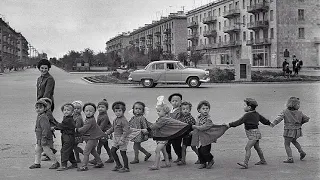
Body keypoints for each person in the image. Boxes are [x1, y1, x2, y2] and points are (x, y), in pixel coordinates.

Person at [145, 96, 192, 170]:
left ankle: (156, 165)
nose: (157, 112)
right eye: (157, 111)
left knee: (157, 151)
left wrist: (147, 129)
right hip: (163, 137)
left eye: (159, 111)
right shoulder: (164, 118)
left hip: (163, 138)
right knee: (164, 151)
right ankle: (167, 163)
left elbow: (156, 125)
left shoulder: (163, 119)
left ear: (165, 112)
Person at [226, 98, 272, 169]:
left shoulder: (247, 116)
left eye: (244, 105)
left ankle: (245, 163)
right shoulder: (257, 114)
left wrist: (229, 125)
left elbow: (238, 122)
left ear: (249, 107)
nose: (243, 107)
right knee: (257, 147)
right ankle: (263, 160)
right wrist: (269, 123)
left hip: (253, 134)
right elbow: (264, 120)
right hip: (256, 133)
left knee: (247, 147)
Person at [270, 97, 309, 163]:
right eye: (298, 104)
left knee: (287, 144)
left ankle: (290, 158)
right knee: (294, 141)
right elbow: (306, 119)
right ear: (294, 105)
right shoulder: (299, 112)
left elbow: (279, 118)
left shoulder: (285, 111)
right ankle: (301, 152)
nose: (299, 106)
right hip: (297, 131)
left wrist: (273, 123)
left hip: (289, 130)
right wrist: (301, 123)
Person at [192, 101, 228, 169]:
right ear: (199, 110)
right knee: (200, 151)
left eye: (207, 108)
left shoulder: (209, 120)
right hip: (200, 138)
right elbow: (197, 125)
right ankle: (203, 163)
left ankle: (210, 160)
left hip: (206, 139)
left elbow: (203, 127)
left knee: (205, 151)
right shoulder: (198, 117)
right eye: (203, 108)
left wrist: (195, 127)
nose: (205, 110)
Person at [29, 99, 60, 169]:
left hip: (43, 138)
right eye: (37, 108)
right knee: (37, 150)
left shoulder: (43, 117)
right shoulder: (40, 115)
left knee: (47, 151)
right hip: (39, 138)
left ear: (45, 108)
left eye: (40, 107)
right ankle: (37, 163)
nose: (38, 109)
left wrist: (44, 137)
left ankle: (55, 162)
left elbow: (45, 129)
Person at [76, 103, 105, 171]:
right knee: (93, 151)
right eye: (87, 111)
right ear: (84, 111)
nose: (88, 112)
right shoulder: (90, 118)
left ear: (94, 112)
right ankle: (99, 162)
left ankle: (84, 166)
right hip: (92, 138)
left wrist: (77, 129)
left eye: (90, 111)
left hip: (92, 138)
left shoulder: (90, 120)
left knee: (86, 152)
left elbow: (84, 128)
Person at [105, 101, 131, 173]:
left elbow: (126, 131)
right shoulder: (115, 119)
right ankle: (118, 165)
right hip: (116, 138)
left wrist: (122, 139)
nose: (118, 112)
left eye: (120, 111)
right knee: (112, 151)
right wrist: (107, 132)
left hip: (122, 138)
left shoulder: (124, 120)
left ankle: (126, 167)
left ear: (123, 111)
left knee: (123, 153)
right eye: (116, 111)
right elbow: (113, 128)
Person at [90, 99, 114, 164]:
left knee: (99, 146)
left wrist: (96, 132)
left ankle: (96, 159)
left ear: (106, 108)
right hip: (102, 132)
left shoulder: (104, 116)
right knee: (105, 146)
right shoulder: (100, 115)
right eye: (99, 107)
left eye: (103, 107)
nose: (100, 108)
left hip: (104, 133)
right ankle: (111, 157)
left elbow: (102, 126)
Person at [55, 103, 77, 171]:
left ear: (72, 112)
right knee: (69, 151)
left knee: (64, 151)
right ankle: (74, 163)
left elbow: (61, 126)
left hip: (68, 137)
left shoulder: (68, 120)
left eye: (68, 110)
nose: (66, 111)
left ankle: (64, 165)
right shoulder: (66, 118)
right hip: (66, 136)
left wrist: (54, 127)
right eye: (65, 110)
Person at [176, 101, 199, 165]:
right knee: (183, 147)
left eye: (187, 109)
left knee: (193, 147)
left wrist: (193, 131)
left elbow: (195, 126)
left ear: (190, 110)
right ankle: (183, 160)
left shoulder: (191, 118)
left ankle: (200, 158)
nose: (185, 110)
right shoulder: (181, 117)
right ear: (181, 110)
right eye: (183, 109)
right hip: (185, 135)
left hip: (190, 135)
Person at [166, 93, 183, 163]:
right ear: (170, 102)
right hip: (169, 130)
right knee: (166, 143)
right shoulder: (170, 110)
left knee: (176, 145)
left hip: (177, 131)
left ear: (180, 101)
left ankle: (180, 156)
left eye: (177, 101)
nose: (175, 102)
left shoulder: (180, 111)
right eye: (173, 101)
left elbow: (178, 121)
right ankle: (168, 155)